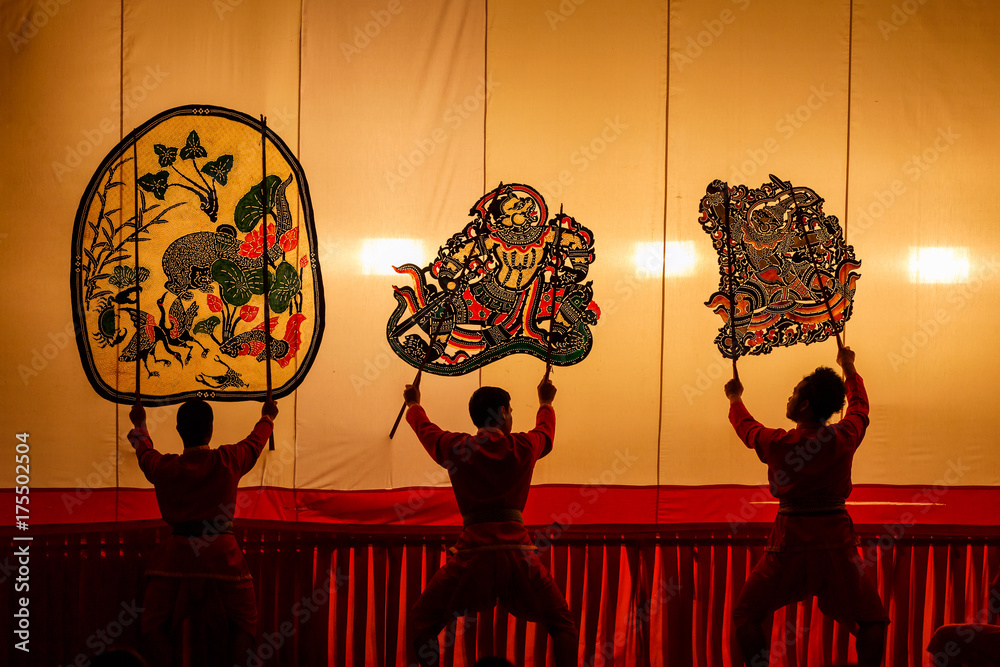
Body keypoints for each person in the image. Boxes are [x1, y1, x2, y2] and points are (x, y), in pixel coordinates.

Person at [724, 346, 889, 667]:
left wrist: (734, 398)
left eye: (794, 393)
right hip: (837, 546)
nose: (789, 397)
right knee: (873, 620)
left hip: (788, 546)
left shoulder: (778, 443)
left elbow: (748, 430)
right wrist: (850, 368)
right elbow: (860, 409)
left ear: (804, 405)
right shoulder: (844, 437)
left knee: (746, 614)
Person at [403, 375, 578, 666]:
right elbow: (545, 433)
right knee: (562, 624)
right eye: (510, 410)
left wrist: (413, 405)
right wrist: (545, 402)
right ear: (503, 413)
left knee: (422, 620)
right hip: (519, 555)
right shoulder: (523, 446)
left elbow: (426, 430)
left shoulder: (455, 446)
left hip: (471, 555)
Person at [127, 397, 278, 667]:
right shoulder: (228, 459)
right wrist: (268, 416)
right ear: (210, 429)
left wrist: (140, 423)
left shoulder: (165, 468)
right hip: (223, 556)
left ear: (178, 429)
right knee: (245, 623)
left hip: (176, 557)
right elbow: (256, 442)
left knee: (152, 623)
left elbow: (144, 453)